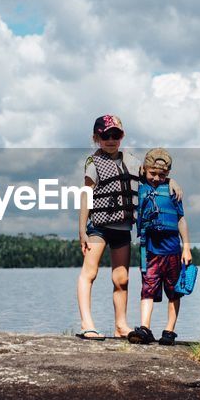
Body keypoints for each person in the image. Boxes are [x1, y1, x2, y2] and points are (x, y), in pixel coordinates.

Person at [76, 115, 138, 340]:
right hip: (99, 227)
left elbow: (154, 176)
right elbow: (86, 196)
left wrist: (173, 182)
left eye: (116, 135)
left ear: (122, 137)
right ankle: (87, 324)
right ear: (96, 138)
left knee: (121, 279)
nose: (111, 140)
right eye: (105, 136)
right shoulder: (94, 163)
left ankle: (121, 325)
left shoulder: (131, 161)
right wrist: (82, 230)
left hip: (122, 227)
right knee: (89, 272)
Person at [128, 148, 191, 346]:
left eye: (162, 175)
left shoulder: (173, 191)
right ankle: (145, 328)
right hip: (150, 251)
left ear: (168, 174)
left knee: (174, 291)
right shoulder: (140, 187)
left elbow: (181, 220)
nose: (156, 178)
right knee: (147, 288)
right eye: (152, 173)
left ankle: (169, 330)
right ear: (144, 170)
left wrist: (187, 247)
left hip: (173, 250)